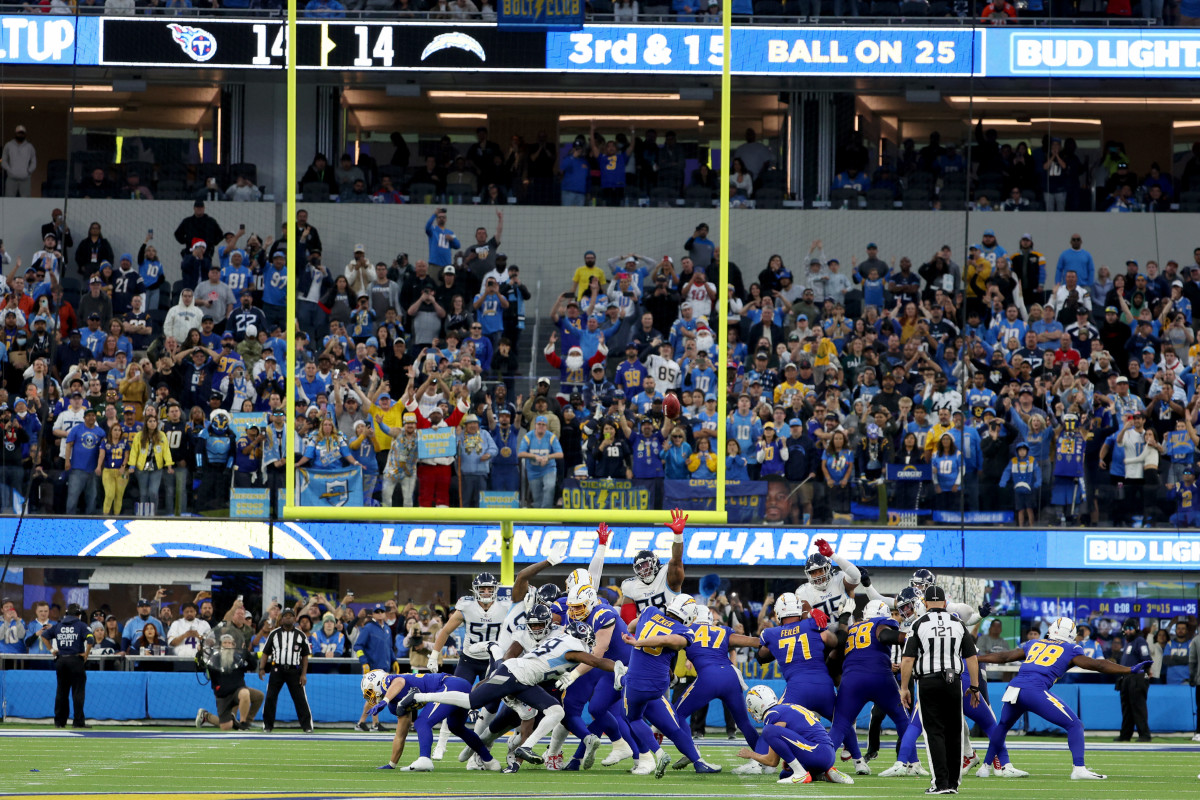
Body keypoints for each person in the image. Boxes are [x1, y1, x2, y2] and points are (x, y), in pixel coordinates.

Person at [411, 616, 614, 773]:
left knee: (556, 711)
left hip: (524, 679)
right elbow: (595, 661)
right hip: (513, 674)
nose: (589, 646)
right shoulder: (573, 648)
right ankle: (421, 697)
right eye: (587, 642)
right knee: (470, 701)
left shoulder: (561, 639)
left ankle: (525, 747)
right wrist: (620, 668)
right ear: (581, 639)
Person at [978, 616, 1151, 778]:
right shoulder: (1070, 648)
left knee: (1003, 726)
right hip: (1034, 690)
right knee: (1074, 724)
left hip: (1014, 688)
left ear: (1052, 630)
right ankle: (1079, 768)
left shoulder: (1034, 643)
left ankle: (985, 768)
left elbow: (1005, 656)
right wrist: (1128, 669)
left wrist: (976, 658)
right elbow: (1097, 664)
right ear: (1071, 635)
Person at [621, 594, 722, 776]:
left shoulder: (650, 611)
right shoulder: (685, 630)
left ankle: (659, 753)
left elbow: (631, 626)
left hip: (636, 682)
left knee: (634, 718)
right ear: (690, 617)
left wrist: (639, 640)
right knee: (673, 728)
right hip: (657, 686)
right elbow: (671, 640)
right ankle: (698, 762)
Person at [899, 586, 981, 795]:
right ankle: (953, 783)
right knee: (954, 732)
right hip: (954, 681)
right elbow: (971, 657)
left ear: (925, 603)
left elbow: (908, 659)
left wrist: (904, 688)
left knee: (934, 732)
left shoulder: (918, 624)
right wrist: (974, 686)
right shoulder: (958, 623)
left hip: (928, 681)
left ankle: (941, 783)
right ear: (945, 603)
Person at [426, 572, 511, 759]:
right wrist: (434, 655)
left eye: (490, 589)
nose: (487, 592)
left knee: (492, 703)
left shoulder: (505, 607)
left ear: (495, 590)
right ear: (476, 590)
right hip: (469, 660)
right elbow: (446, 630)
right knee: (454, 698)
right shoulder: (466, 606)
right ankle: (441, 743)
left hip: (493, 660)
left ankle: (480, 746)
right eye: (483, 589)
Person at [826, 600, 908, 777]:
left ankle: (820, 763)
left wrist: (836, 679)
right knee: (902, 719)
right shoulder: (880, 623)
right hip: (880, 676)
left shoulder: (852, 628)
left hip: (851, 679)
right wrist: (908, 638)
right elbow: (885, 636)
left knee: (839, 725)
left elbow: (834, 657)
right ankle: (908, 761)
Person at [363, 668, 500, 772]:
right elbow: (400, 735)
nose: (371, 696)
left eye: (370, 691)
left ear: (378, 682)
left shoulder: (392, 681)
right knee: (455, 726)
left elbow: (400, 681)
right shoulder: (394, 704)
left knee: (422, 722)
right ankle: (489, 760)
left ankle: (425, 759)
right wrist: (392, 764)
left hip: (449, 685)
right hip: (457, 686)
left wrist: (385, 700)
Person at [736, 685, 855, 784]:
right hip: (826, 754)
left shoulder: (772, 715)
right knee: (785, 773)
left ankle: (801, 773)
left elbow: (772, 761)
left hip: (817, 753)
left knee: (768, 730)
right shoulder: (786, 708)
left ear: (758, 706)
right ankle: (824, 773)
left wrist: (750, 754)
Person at [619, 508, 687, 620]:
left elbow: (676, 559)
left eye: (646, 565)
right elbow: (628, 620)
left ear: (655, 563)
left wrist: (678, 535)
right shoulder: (630, 586)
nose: (643, 570)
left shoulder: (666, 574)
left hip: (673, 629)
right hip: (646, 632)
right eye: (639, 567)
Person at [257, 607, 313, 733]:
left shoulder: (300, 635)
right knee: (271, 697)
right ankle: (267, 726)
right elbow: (265, 652)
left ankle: (307, 726)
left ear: (294, 619)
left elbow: (305, 656)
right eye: (285, 615)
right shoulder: (274, 634)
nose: (288, 617)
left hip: (294, 670)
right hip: (277, 669)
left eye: (290, 615)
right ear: (281, 619)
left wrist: (304, 674)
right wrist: (261, 668)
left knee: (300, 698)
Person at [39, 603, 93, 729]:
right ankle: (78, 722)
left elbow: (44, 635)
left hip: (61, 661)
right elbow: (91, 640)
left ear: (67, 614)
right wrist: (86, 654)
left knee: (61, 692)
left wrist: (52, 650)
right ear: (79, 615)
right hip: (76, 661)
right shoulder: (81, 626)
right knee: (77, 693)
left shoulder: (58, 626)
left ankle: (59, 722)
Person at [195, 632, 263, 731]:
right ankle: (206, 716)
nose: (227, 645)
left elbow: (252, 666)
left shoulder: (238, 658)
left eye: (229, 643)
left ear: (234, 645)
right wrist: (199, 653)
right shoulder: (214, 659)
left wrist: (246, 653)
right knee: (226, 727)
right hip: (223, 695)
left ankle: (245, 723)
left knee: (254, 695)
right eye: (225, 643)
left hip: (238, 691)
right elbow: (201, 667)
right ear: (220, 645)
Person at [353, 605, 394, 732]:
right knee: (373, 697)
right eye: (377, 612)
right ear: (373, 615)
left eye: (382, 611)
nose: (380, 614)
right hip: (371, 669)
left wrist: (395, 661)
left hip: (383, 669)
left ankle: (361, 723)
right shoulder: (368, 628)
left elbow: (390, 648)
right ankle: (374, 724)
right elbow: (358, 646)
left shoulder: (387, 629)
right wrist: (364, 662)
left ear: (385, 613)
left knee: (374, 698)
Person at [1115, 618, 1152, 742]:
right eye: (1126, 629)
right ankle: (1125, 735)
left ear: (1136, 629)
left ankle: (1144, 735)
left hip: (1137, 678)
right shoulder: (1128, 643)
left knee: (1138, 707)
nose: (1128, 631)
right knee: (1127, 709)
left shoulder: (1140, 641)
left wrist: (1143, 673)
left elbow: (1146, 659)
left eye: (1131, 629)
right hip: (1126, 678)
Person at [1, 124, 36, 197]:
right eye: (19, 133)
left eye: (22, 133)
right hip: (11, 178)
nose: (20, 135)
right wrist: (9, 170)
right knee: (9, 200)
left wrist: (28, 171)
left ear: (25, 134)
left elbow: (33, 161)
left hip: (25, 179)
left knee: (25, 201)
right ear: (15, 133)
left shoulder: (30, 147)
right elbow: (3, 160)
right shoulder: (9, 145)